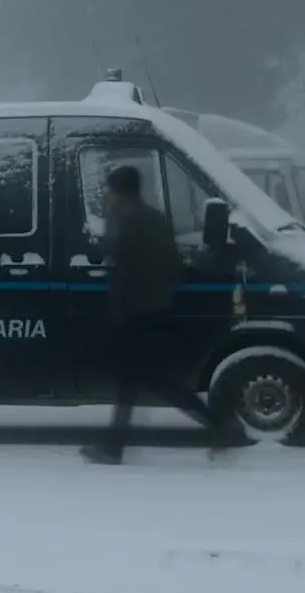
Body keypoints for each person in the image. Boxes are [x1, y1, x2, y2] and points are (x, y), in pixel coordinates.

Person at [79, 164, 233, 464]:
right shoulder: (155, 218)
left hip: (134, 312)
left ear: (118, 190)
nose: (107, 194)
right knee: (146, 379)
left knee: (143, 379)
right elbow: (174, 265)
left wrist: (118, 309)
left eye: (110, 189)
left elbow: (119, 266)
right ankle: (116, 445)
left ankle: (114, 448)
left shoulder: (123, 219)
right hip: (156, 309)